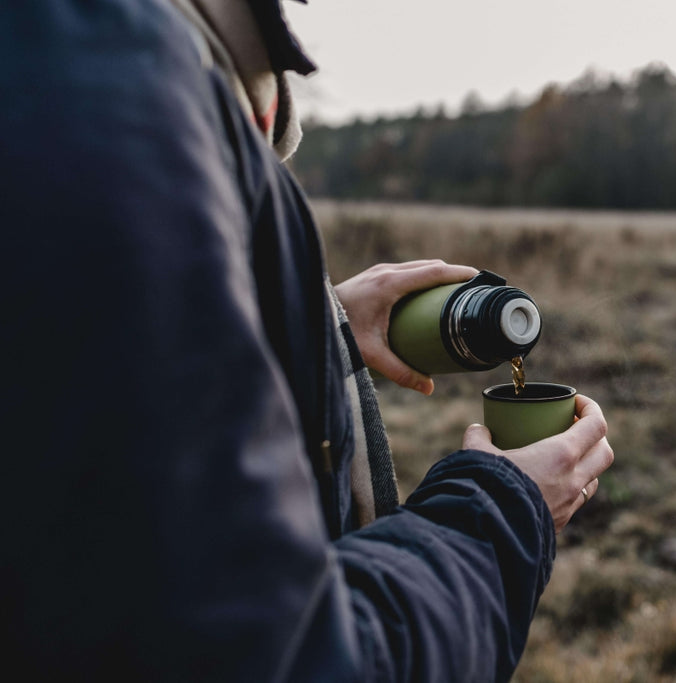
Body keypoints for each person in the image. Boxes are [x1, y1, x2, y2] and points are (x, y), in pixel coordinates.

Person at [0, 1, 613, 682]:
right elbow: (264, 652)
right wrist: (502, 514)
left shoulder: (138, 60)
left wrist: (314, 328)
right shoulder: (102, 70)